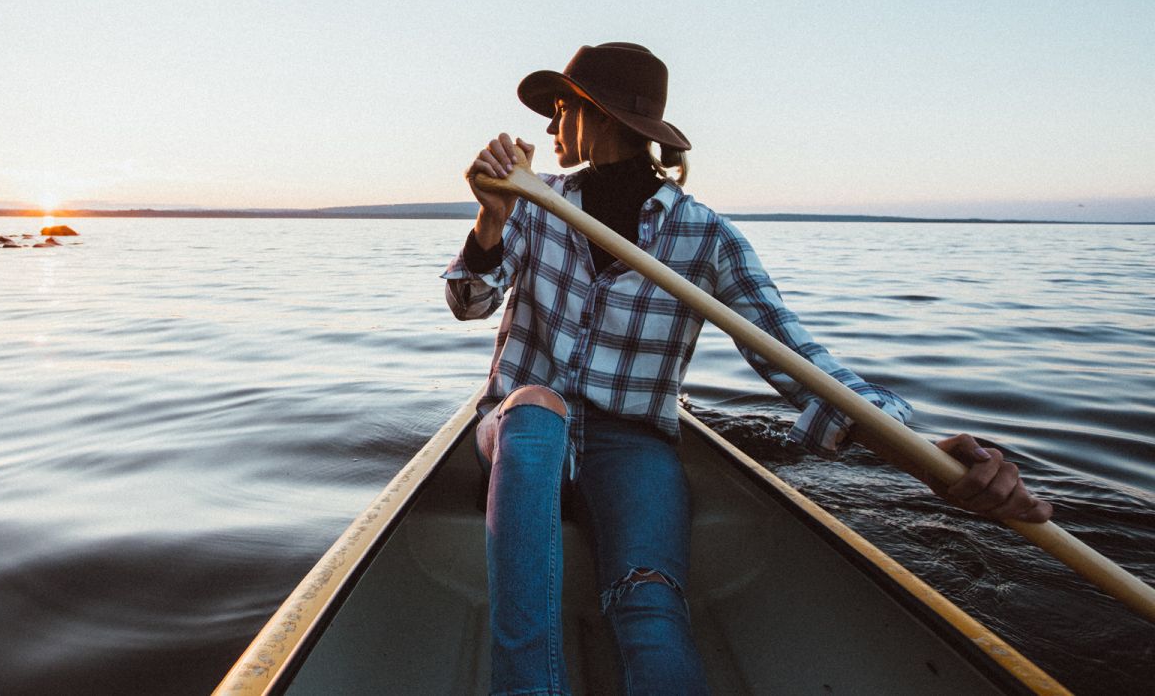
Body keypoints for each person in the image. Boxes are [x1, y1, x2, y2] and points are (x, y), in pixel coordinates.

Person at [442, 42, 1052, 696]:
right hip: (521, 439)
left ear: (597, 116)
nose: (550, 128)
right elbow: (468, 303)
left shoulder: (707, 236)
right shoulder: (533, 201)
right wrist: (491, 217)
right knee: (536, 404)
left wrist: (928, 455)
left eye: (559, 109)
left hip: (631, 446)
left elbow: (800, 363)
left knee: (649, 608)